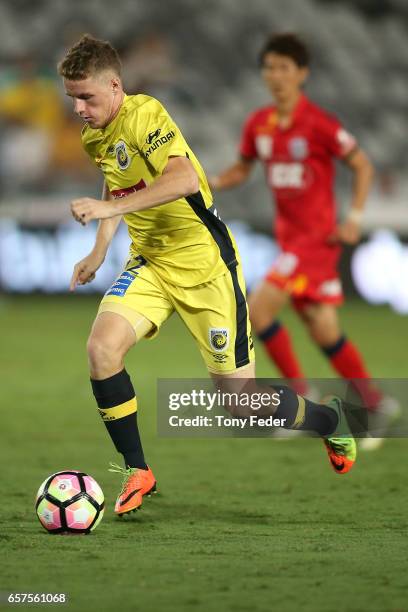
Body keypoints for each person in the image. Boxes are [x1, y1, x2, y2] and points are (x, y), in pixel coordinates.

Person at [58, 34, 356, 516]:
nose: (78, 107)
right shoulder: (95, 133)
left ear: (115, 85)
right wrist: (99, 248)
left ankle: (326, 419)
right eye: (72, 97)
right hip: (152, 262)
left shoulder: (145, 114)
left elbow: (183, 180)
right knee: (101, 349)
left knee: (241, 405)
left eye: (86, 96)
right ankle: (138, 470)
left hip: (205, 266)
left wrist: (102, 208)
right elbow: (117, 184)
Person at [210, 33, 388, 440]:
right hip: (290, 241)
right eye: (269, 67)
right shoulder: (260, 124)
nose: (275, 76)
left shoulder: (321, 124)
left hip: (315, 242)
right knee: (323, 329)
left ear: (302, 74)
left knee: (257, 312)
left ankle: (300, 401)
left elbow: (362, 166)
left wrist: (355, 217)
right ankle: (374, 401)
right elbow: (242, 169)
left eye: (284, 68)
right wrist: (208, 181)